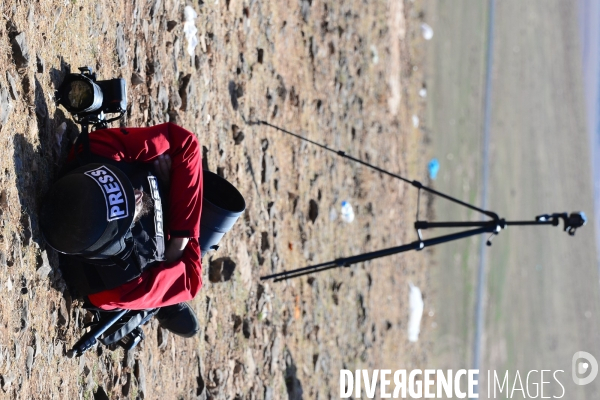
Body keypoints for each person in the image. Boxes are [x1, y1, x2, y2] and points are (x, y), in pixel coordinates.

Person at [40, 122, 203, 337]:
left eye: (121, 190)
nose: (135, 195)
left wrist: (179, 242)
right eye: (127, 212)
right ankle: (164, 305)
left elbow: (185, 143)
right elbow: (192, 281)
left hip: (170, 257)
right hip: (170, 248)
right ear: (108, 245)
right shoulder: (122, 283)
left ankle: (164, 301)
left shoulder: (98, 151)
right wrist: (180, 223)